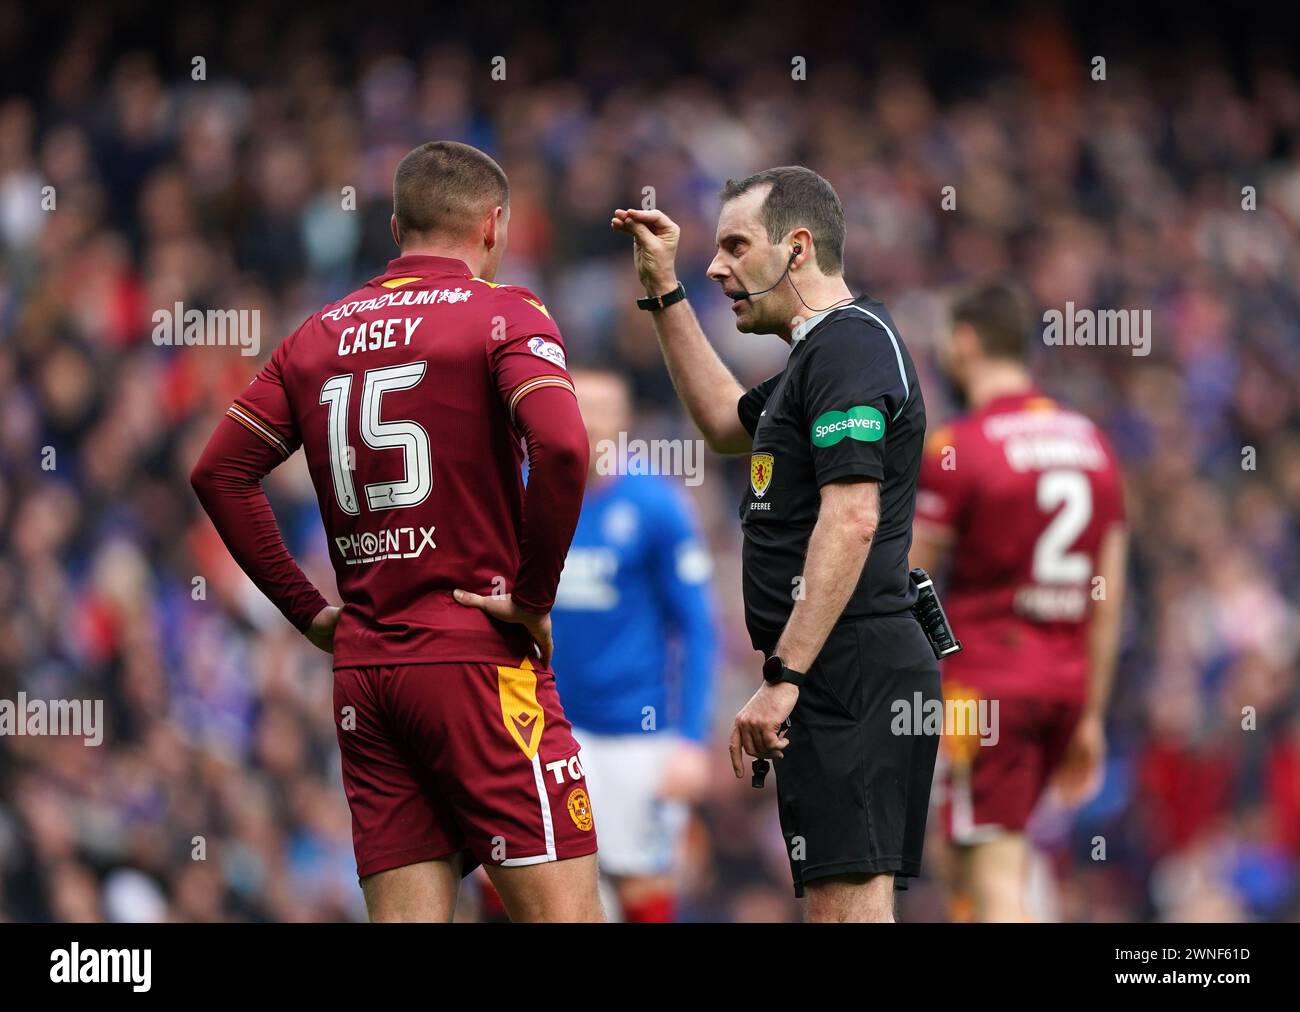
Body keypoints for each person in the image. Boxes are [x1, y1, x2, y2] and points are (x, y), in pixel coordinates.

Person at [191, 140, 603, 922]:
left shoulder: (315, 334)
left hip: (367, 670)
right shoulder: (505, 312)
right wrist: (533, 595)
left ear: (393, 225)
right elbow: (563, 445)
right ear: (492, 227)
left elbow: (219, 471)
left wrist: (310, 612)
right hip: (477, 658)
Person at [612, 167, 940, 922]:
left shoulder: (849, 349)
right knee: (841, 903)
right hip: (842, 665)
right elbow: (726, 424)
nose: (716, 266)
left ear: (797, 249)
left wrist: (786, 673)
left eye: (735, 245)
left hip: (849, 665)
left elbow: (852, 517)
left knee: (846, 906)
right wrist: (662, 293)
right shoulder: (817, 356)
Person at [910, 281, 1128, 922]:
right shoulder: (1093, 445)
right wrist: (1090, 713)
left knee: (995, 869)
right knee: (968, 851)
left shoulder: (957, 447)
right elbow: (1107, 599)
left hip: (984, 689)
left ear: (966, 342)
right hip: (1065, 682)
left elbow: (907, 579)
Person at [550, 366, 717, 922]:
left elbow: (697, 627)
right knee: (535, 881)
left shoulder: (655, 506)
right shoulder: (530, 497)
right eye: (580, 409)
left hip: (635, 731)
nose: (591, 424)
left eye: (604, 411)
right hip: (546, 729)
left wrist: (690, 737)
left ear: (624, 423)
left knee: (639, 879)